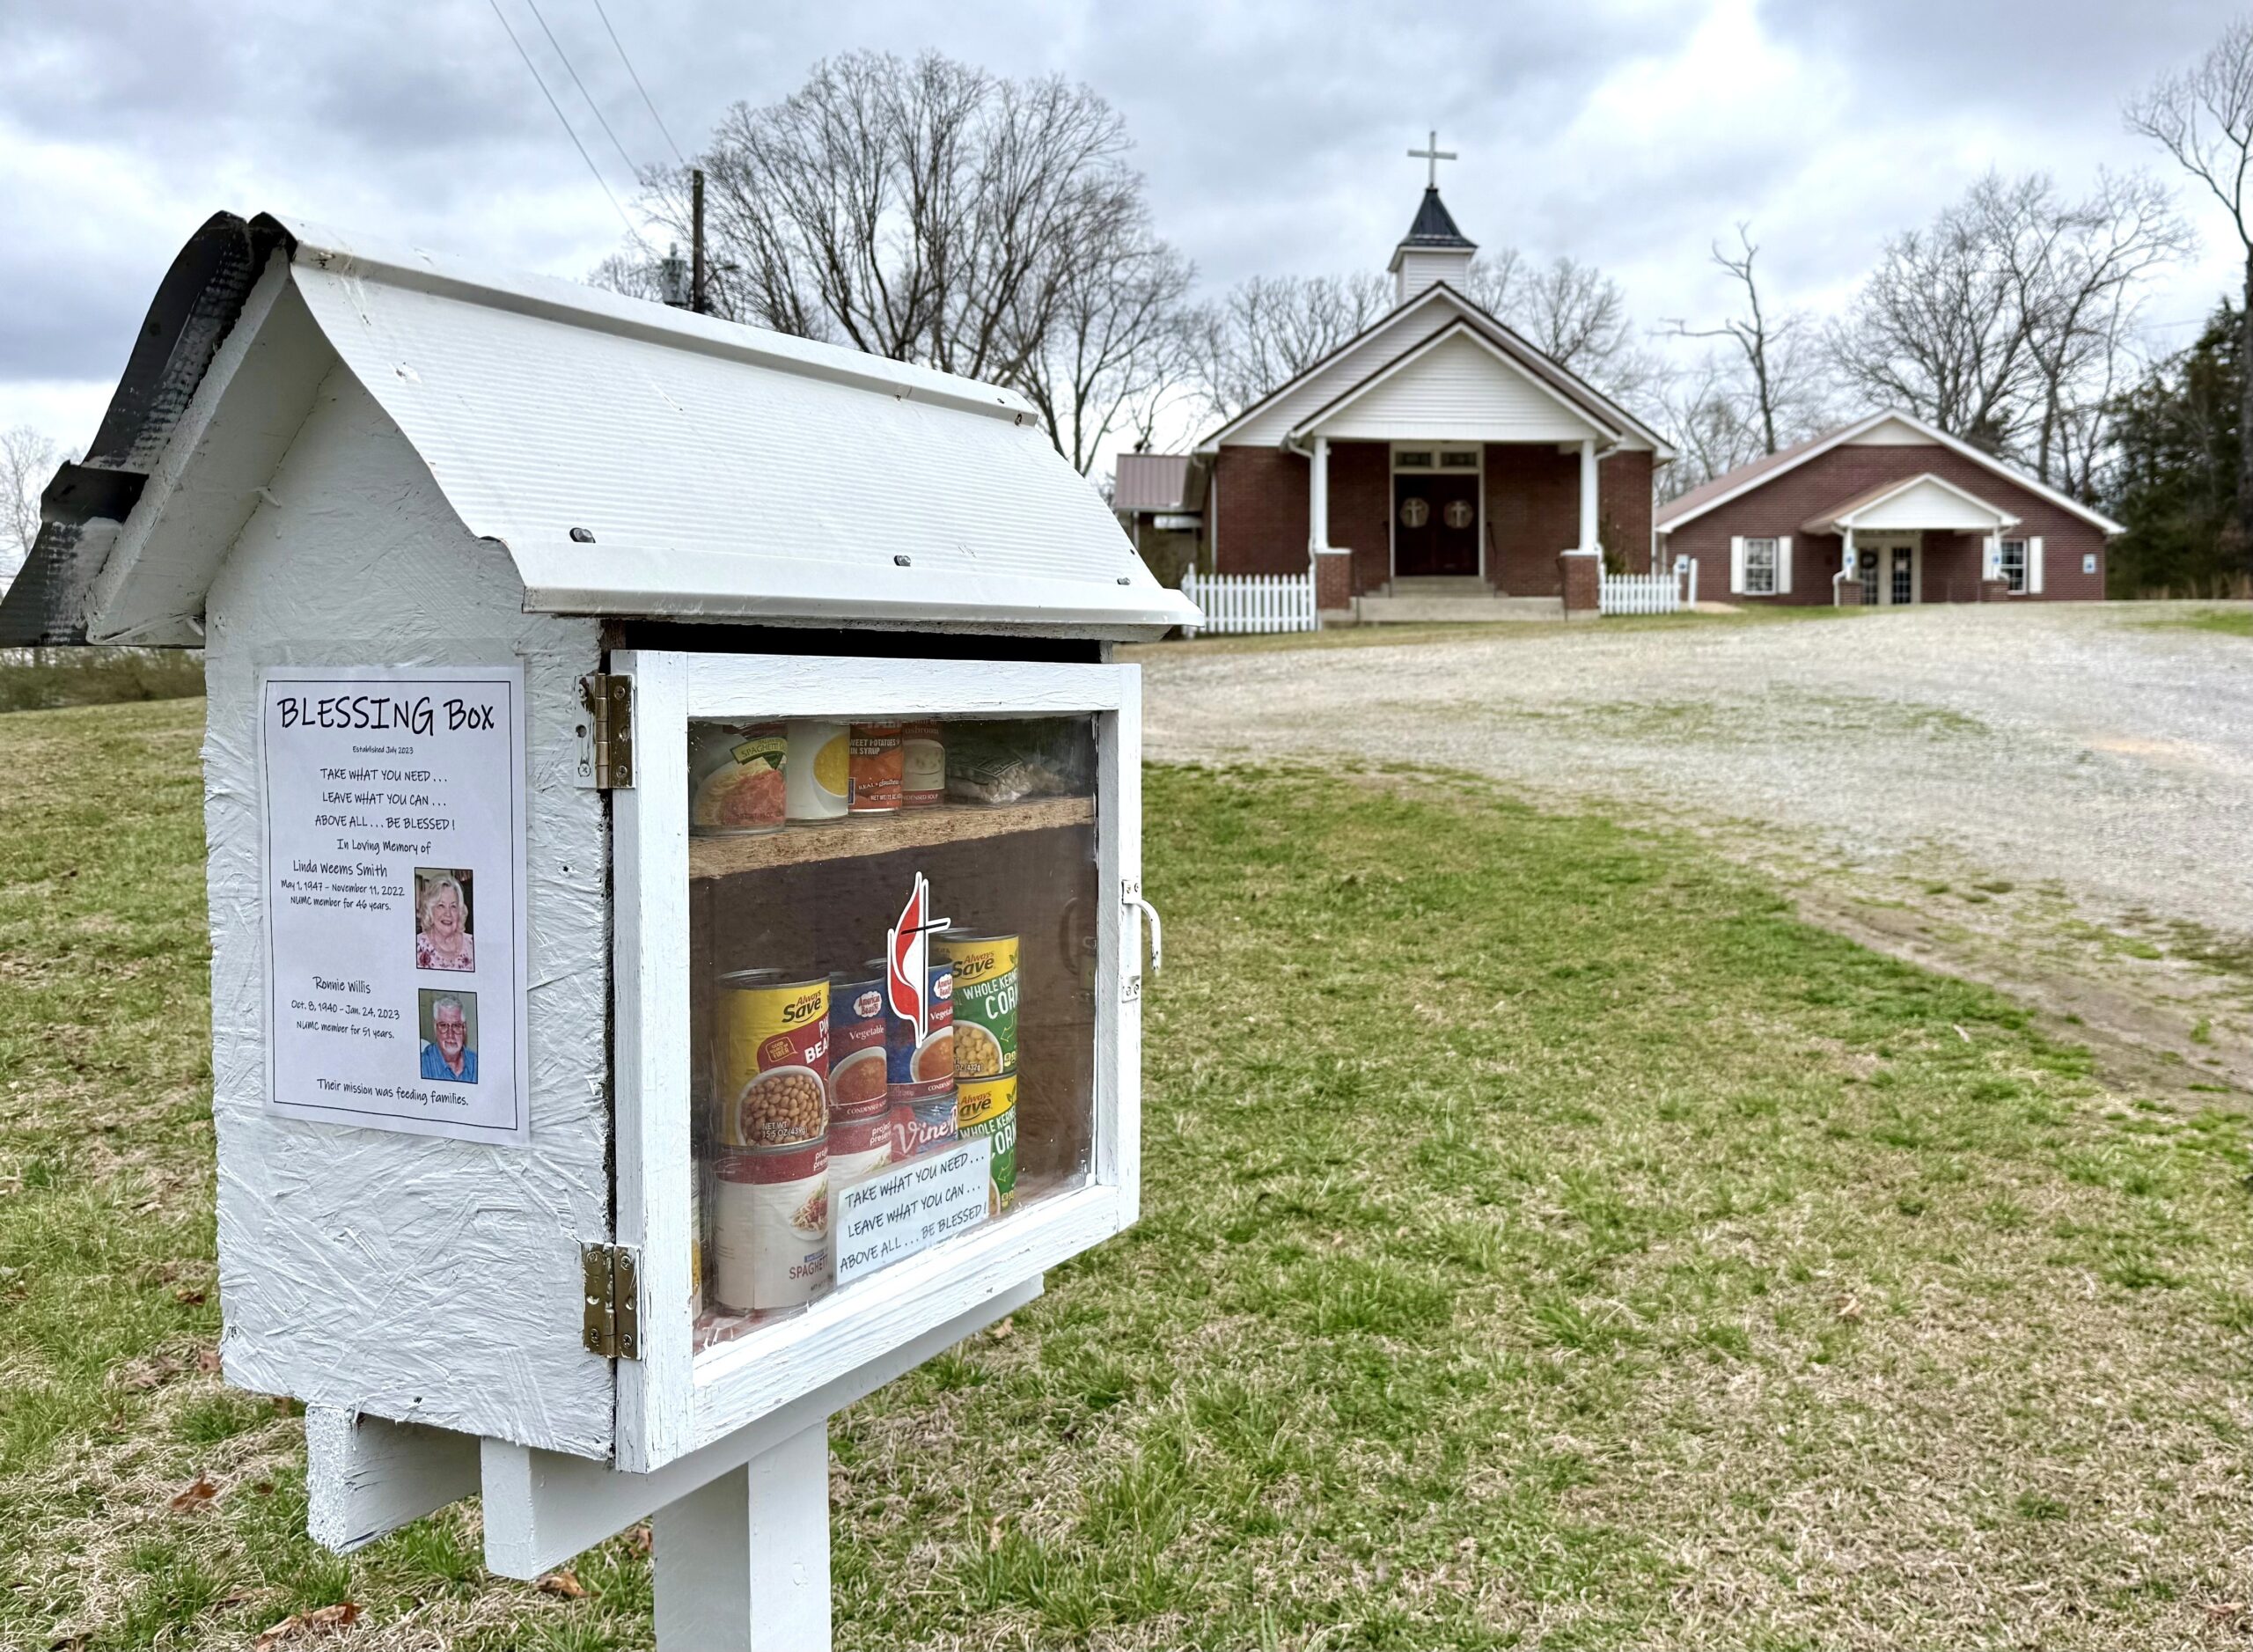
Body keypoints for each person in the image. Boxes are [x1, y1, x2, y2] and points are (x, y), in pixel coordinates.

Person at [415, 872, 474, 971]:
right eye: (441, 905)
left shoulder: (472, 944)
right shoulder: (416, 946)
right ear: (430, 909)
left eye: (453, 906)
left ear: (460, 911)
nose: (448, 914)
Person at [420, 995, 478, 1083]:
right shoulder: (421, 1066)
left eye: (456, 1026)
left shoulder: (476, 1063)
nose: (450, 1034)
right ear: (435, 1028)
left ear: (464, 1029)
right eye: (443, 1025)